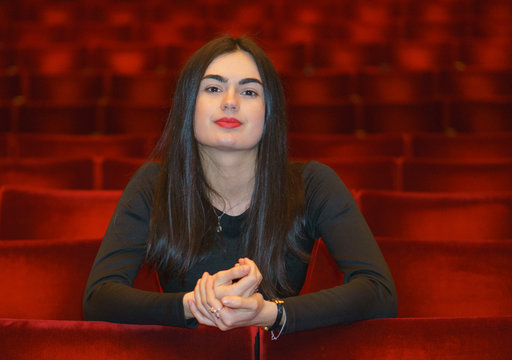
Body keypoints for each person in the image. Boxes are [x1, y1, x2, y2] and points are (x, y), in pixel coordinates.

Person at [83, 36, 397, 337]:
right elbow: (99, 297)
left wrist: (270, 313)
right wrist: (193, 304)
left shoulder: (313, 184)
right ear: (188, 105)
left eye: (249, 92)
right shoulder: (153, 185)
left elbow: (379, 292)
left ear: (269, 113)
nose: (230, 102)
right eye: (213, 88)